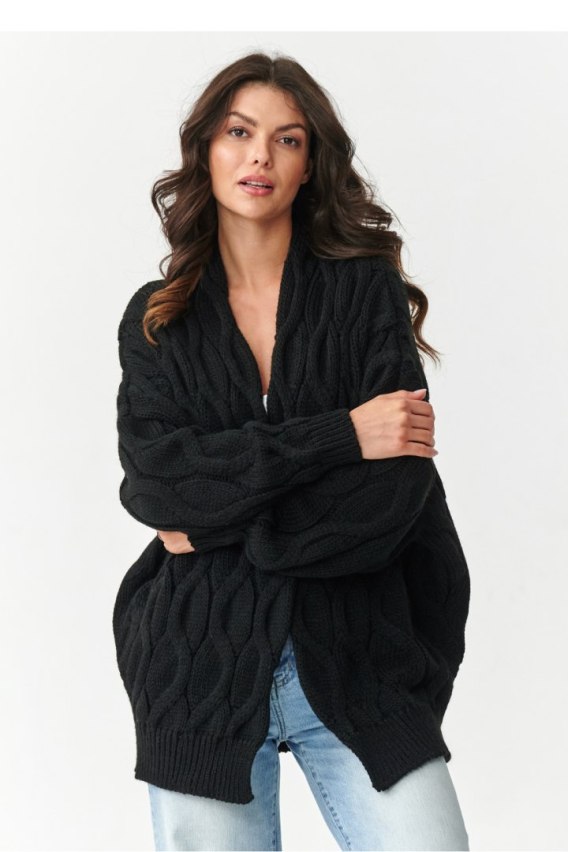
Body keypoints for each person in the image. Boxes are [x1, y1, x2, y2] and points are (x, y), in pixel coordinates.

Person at [113, 50, 471, 851]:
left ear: (310, 165)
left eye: (288, 139)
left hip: (362, 662)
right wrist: (342, 435)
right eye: (239, 132)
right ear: (207, 149)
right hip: (196, 670)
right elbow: (159, 488)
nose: (260, 157)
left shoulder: (364, 292)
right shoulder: (159, 319)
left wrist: (220, 524)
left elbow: (392, 498)